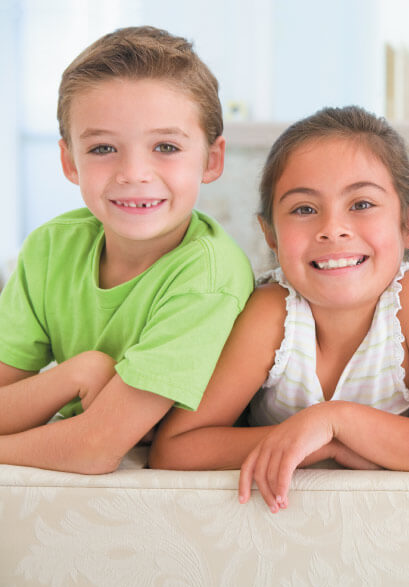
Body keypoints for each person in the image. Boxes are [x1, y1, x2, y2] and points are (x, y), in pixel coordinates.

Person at [150, 106, 409, 512]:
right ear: (270, 234)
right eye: (304, 209)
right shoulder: (273, 312)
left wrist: (335, 422)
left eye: (362, 204)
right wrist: (320, 445)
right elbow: (175, 448)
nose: (333, 228)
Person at [0, 26, 254, 473]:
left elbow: (96, 448)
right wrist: (76, 373)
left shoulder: (209, 277)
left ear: (212, 160)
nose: (134, 173)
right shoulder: (49, 249)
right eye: (103, 148)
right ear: (69, 161)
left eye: (165, 147)